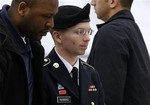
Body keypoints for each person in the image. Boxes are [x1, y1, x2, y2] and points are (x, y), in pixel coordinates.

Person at [87, 0, 150, 105]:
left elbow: (106, 95)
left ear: (112, 2)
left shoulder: (111, 32)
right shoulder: (130, 29)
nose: (92, 2)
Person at [42, 3, 105, 105]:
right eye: (80, 32)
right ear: (58, 37)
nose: (87, 38)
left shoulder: (91, 74)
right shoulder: (43, 73)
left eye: (88, 32)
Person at [0, 0, 58, 104]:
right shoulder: (3, 44)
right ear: (22, 9)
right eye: (46, 16)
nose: (51, 24)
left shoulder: (33, 43)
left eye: (53, 16)